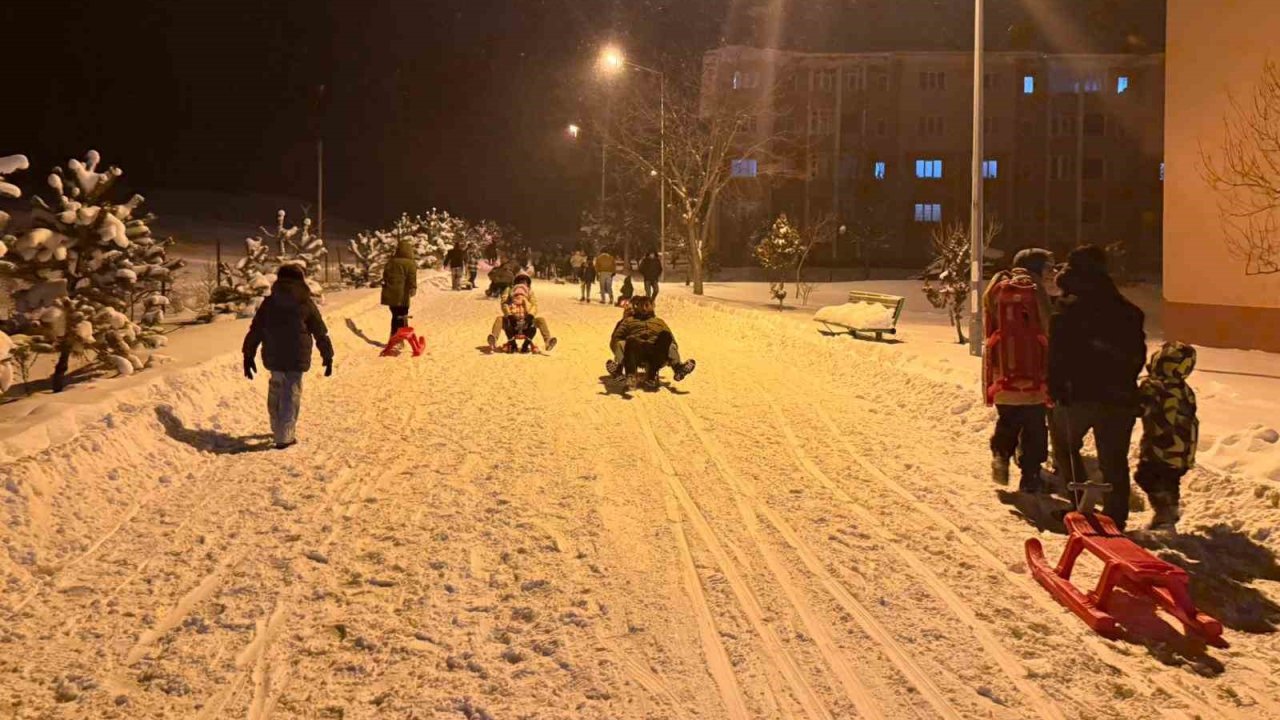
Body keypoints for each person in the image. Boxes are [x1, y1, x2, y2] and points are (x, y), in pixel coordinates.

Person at [1047, 245, 1147, 530]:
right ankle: (1116, 515)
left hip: (1076, 396)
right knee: (1114, 458)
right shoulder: (1128, 312)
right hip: (1119, 397)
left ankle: (1077, 505)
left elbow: (1056, 357)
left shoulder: (1066, 310)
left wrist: (1055, 389)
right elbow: (1136, 356)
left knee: (1065, 447)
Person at [983, 248, 1055, 493]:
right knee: (1035, 424)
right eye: (1047, 268)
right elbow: (1047, 326)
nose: (1050, 273)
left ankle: (1001, 455)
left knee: (1009, 418)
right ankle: (1030, 475)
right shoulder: (1034, 290)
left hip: (1002, 369)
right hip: (1034, 370)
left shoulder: (996, 288)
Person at [242, 264, 334, 450]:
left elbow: (256, 329)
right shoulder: (305, 302)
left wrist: (248, 354)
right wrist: (328, 354)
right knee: (291, 394)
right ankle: (284, 436)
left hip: (274, 354)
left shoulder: (269, 302)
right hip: (296, 356)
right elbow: (320, 331)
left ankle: (277, 427)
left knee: (276, 389)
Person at [1135, 341, 1199, 532]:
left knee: (1146, 476)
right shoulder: (1183, 388)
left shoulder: (1155, 387)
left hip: (1161, 447)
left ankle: (1165, 514)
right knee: (1169, 480)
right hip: (1182, 450)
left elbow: (1139, 408)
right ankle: (1169, 510)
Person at [605, 296, 696, 390]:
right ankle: (628, 374)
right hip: (637, 351)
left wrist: (669, 354)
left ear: (652, 307)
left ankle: (678, 368)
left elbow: (672, 341)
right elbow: (616, 338)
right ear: (637, 307)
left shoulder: (659, 322)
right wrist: (620, 357)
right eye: (642, 306)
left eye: (647, 305)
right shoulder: (629, 321)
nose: (644, 308)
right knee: (629, 341)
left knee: (666, 336)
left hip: (656, 352)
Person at [489, 273, 558, 351]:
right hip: (512, 320)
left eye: (525, 281)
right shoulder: (509, 290)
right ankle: (494, 339)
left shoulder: (529, 292)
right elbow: (504, 303)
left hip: (526, 320)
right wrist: (509, 315)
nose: (522, 283)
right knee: (499, 319)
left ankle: (548, 341)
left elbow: (534, 305)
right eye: (520, 281)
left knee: (540, 320)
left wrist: (530, 315)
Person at [381, 239, 417, 338]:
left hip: (390, 294)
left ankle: (394, 336)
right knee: (402, 316)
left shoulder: (390, 262)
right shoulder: (410, 263)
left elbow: (385, 276)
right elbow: (412, 277)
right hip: (402, 296)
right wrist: (413, 288)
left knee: (395, 316)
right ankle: (400, 337)